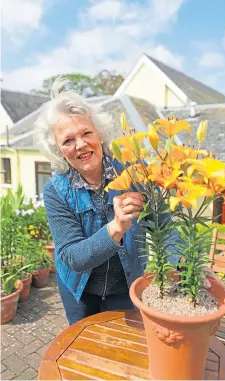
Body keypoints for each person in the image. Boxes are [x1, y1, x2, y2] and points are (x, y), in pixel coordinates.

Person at [34, 77, 181, 325]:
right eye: (68, 140)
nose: (81, 145)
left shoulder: (136, 172)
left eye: (86, 133)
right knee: (84, 345)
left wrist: (179, 266)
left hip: (126, 285)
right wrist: (115, 228)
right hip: (78, 290)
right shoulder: (55, 191)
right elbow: (71, 256)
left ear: (99, 134)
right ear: (58, 150)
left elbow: (164, 224)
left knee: (125, 347)